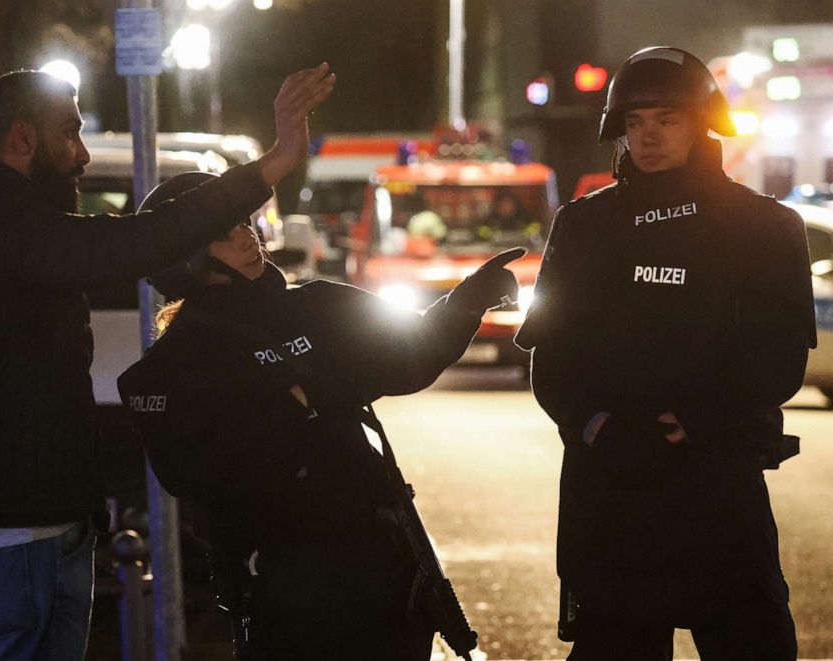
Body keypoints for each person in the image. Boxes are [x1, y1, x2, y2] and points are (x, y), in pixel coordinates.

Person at [0, 64, 334, 660]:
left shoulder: (4, 226)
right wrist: (272, 164)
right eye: (70, 133)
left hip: (45, 521)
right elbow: (135, 241)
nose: (81, 155)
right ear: (23, 139)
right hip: (9, 532)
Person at [117, 170, 525, 660]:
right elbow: (190, 473)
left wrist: (467, 300)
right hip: (285, 588)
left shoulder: (319, 306)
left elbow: (411, 354)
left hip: (382, 572)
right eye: (224, 231)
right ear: (185, 255)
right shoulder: (169, 369)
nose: (247, 236)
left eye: (245, 223)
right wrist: (294, 406)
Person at [515, 46, 815, 661]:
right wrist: (598, 428)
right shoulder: (582, 225)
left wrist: (693, 422)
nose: (648, 137)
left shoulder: (768, 227)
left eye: (667, 120)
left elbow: (780, 357)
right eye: (635, 122)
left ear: (702, 122)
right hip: (610, 488)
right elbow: (552, 362)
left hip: (718, 489)